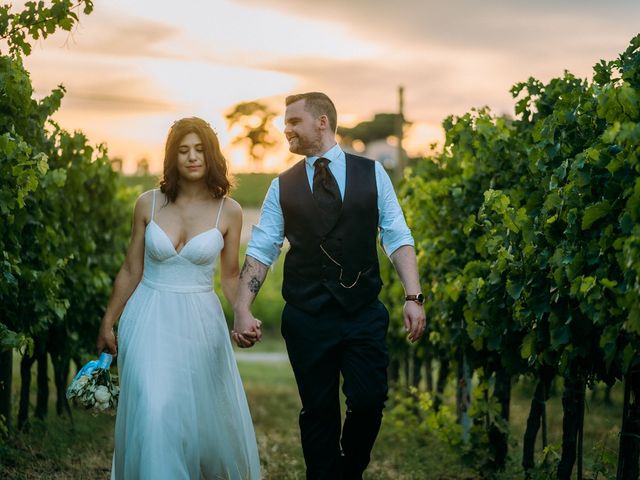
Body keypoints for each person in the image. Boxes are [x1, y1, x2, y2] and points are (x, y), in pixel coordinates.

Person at [233, 92, 425, 479]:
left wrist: (413, 296)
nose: (285, 129)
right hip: (307, 316)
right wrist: (242, 307)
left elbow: (396, 234)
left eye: (293, 121)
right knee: (318, 412)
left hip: (362, 314)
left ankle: (348, 470)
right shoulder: (281, 187)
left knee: (370, 402)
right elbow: (263, 248)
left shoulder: (372, 173)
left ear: (322, 122)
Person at [96, 117, 261, 480]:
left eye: (200, 150)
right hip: (148, 316)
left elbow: (230, 277)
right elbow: (130, 269)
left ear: (211, 155)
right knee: (156, 410)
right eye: (183, 150)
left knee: (193, 420)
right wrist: (109, 321)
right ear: (173, 156)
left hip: (201, 323)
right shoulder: (147, 203)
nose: (192, 157)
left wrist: (243, 315)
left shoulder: (228, 210)